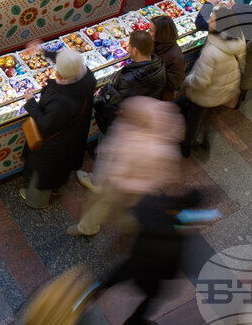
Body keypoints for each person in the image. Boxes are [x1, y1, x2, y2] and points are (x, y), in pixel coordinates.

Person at [68, 96, 183, 237]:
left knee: (109, 206)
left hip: (124, 187)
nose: (122, 114)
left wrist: (123, 182)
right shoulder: (140, 118)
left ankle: (97, 228)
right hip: (114, 180)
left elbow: (155, 178)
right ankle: (98, 227)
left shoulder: (157, 150)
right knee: (109, 206)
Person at [92, 190, 201, 323]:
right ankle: (134, 321)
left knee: (113, 278)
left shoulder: (157, 205)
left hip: (135, 260)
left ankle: (92, 292)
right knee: (151, 297)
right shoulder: (176, 237)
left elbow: (141, 207)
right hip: (150, 274)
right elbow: (170, 272)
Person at [20, 49, 97, 209]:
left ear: (60, 75)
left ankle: (36, 201)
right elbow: (70, 62)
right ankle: (55, 189)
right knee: (59, 172)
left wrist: (30, 102)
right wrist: (43, 51)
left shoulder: (62, 100)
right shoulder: (85, 77)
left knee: (43, 176)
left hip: (53, 148)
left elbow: (45, 124)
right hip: (72, 139)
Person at [181, 8, 246, 156]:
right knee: (204, 116)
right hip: (222, 89)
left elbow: (200, 82)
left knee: (194, 119)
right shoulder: (238, 38)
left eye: (213, 19)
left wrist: (187, 80)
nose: (209, 21)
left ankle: (187, 146)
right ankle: (204, 140)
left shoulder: (213, 52)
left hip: (206, 93)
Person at [86, 29, 167, 144]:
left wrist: (101, 94)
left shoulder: (128, 79)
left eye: (129, 45)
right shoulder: (159, 66)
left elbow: (110, 106)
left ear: (135, 50)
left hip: (117, 128)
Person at [150, 15, 184, 102]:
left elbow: (173, 84)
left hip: (160, 98)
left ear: (161, 34)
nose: (148, 32)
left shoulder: (175, 57)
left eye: (151, 31)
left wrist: (150, 75)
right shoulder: (155, 44)